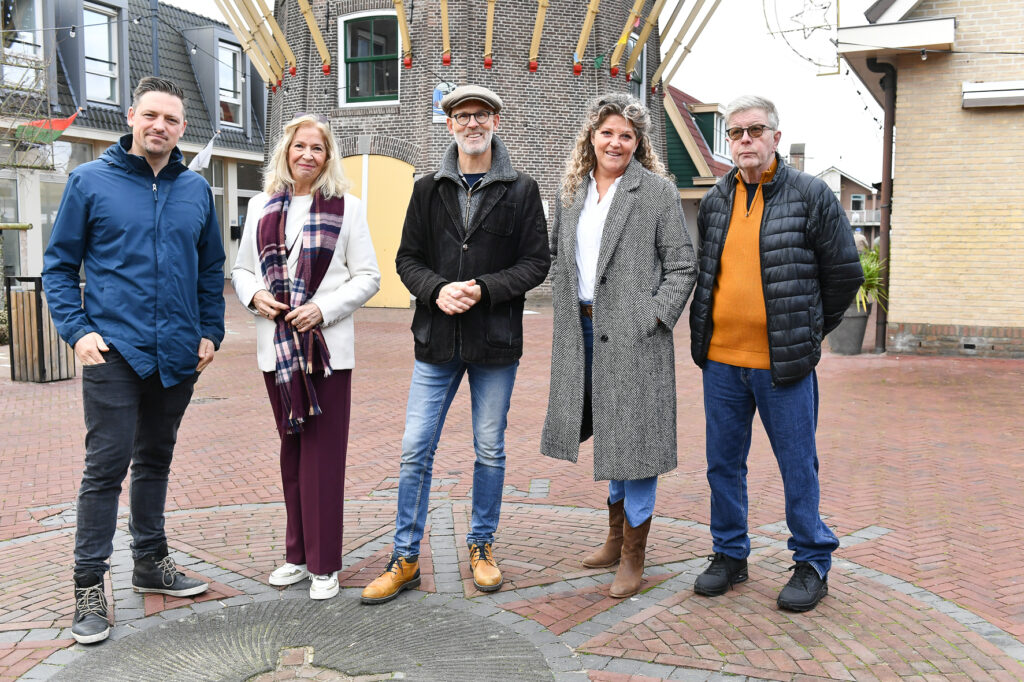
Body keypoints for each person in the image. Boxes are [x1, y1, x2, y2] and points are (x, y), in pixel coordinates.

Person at [42, 77, 225, 644]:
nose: (159, 127)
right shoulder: (89, 182)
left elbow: (211, 269)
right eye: (150, 116)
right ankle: (89, 584)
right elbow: (58, 266)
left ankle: (150, 562)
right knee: (106, 468)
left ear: (182, 128)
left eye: (170, 120)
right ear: (131, 116)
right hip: (113, 351)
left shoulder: (197, 191)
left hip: (176, 354)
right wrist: (77, 333)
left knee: (155, 461)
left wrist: (210, 332)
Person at [361, 85, 550, 604]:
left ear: (495, 122)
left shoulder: (522, 189)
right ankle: (405, 558)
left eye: (481, 115)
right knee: (414, 449)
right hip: (436, 341)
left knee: (489, 449)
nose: (472, 124)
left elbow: (537, 262)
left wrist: (484, 289)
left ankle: (482, 545)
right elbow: (407, 259)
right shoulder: (427, 190)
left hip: (494, 342)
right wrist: (436, 289)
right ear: (449, 125)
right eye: (462, 116)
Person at [689, 95, 863, 612]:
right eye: (736, 132)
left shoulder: (811, 195)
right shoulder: (717, 198)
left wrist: (807, 332)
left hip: (782, 365)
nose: (745, 140)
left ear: (775, 138)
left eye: (755, 130)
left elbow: (844, 275)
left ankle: (811, 560)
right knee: (722, 464)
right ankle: (729, 554)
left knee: (796, 465)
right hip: (721, 361)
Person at [540, 94, 696, 598]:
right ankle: (612, 538)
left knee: (637, 441)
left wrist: (653, 315)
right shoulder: (571, 193)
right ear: (591, 135)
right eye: (607, 132)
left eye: (626, 135)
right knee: (609, 433)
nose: (616, 142)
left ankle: (634, 553)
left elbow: (681, 265)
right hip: (581, 331)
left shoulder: (656, 193)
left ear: (638, 143)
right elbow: (555, 260)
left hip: (634, 337)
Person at [232, 113, 380, 600]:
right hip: (276, 351)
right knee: (292, 453)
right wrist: (255, 297)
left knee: (323, 456)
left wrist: (322, 309)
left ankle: (324, 564)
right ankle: (296, 555)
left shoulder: (348, 207)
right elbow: (241, 270)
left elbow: (367, 277)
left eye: (318, 148)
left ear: (328, 156)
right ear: (286, 151)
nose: (308, 155)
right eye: (300, 146)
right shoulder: (260, 206)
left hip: (326, 353)